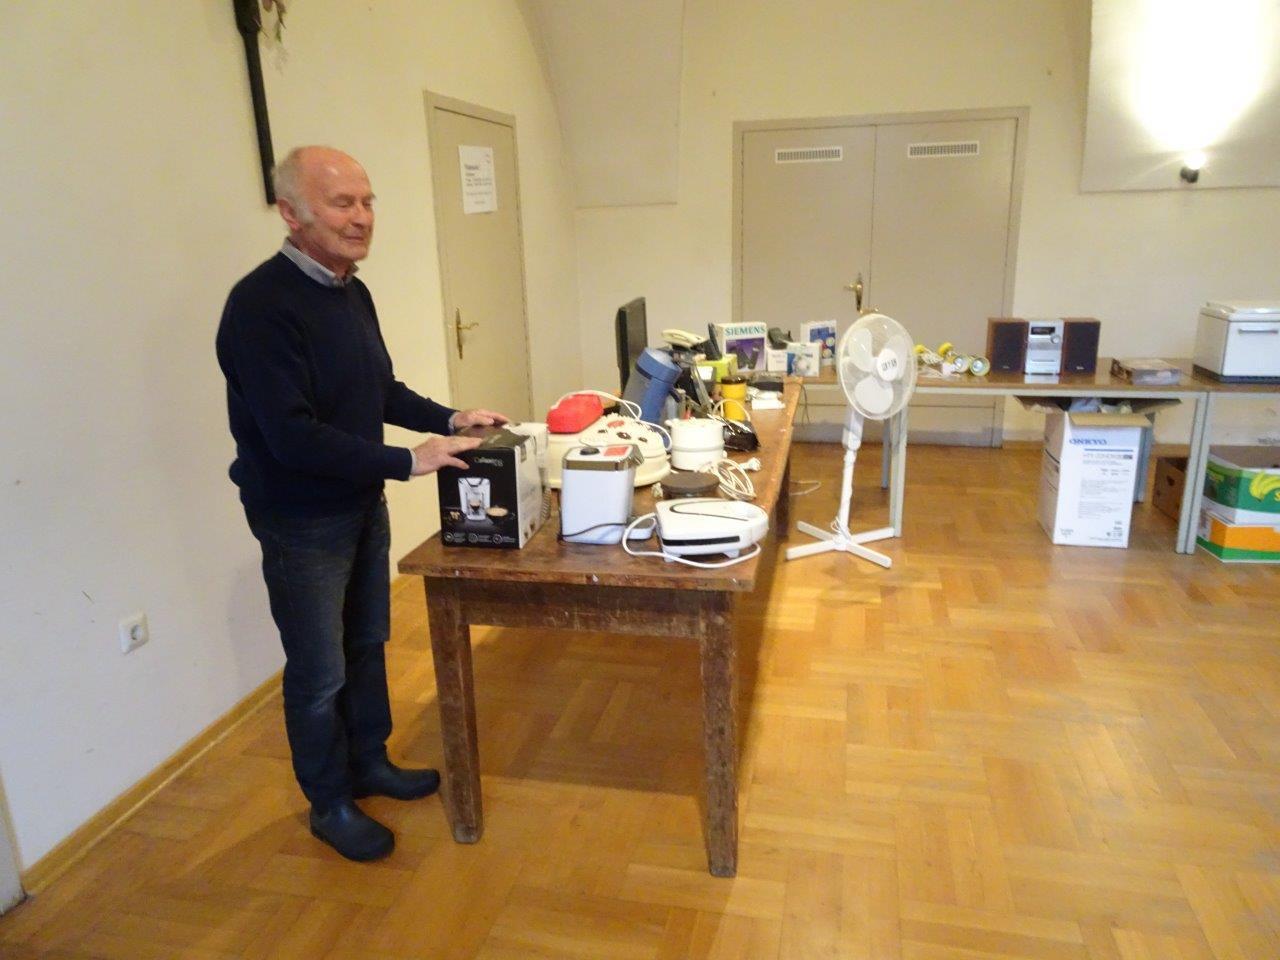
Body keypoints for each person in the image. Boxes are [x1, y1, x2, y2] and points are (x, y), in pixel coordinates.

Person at [216, 146, 507, 862]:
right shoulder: (260, 307)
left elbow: (379, 390)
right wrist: (407, 462)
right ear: (291, 213)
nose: (361, 218)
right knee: (319, 672)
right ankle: (330, 803)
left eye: (367, 201)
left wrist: (450, 419)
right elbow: (292, 437)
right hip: (299, 519)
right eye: (342, 203)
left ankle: (369, 762)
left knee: (367, 641)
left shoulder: (352, 290)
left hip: (359, 502)